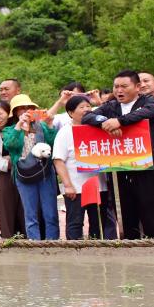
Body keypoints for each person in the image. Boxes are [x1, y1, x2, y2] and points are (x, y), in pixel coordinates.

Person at [81, 69, 154, 239]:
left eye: (124, 86)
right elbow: (87, 117)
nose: (119, 90)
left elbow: (150, 112)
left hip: (146, 167)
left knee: (151, 211)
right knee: (125, 213)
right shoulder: (111, 106)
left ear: (137, 86)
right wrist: (104, 123)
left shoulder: (149, 101)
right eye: (116, 86)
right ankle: (129, 249)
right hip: (119, 168)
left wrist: (119, 122)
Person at [2, 94, 59, 240]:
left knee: (50, 213)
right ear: (15, 112)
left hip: (45, 172)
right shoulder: (9, 129)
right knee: (30, 213)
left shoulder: (42, 126)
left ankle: (53, 244)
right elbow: (10, 145)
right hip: (23, 175)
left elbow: (53, 144)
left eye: (29, 108)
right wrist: (19, 126)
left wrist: (51, 124)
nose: (26, 111)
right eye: (21, 108)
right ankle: (34, 243)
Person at [53, 96, 105, 239]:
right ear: (70, 113)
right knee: (75, 223)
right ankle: (74, 256)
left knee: (98, 224)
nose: (86, 110)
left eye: (88, 106)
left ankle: (98, 255)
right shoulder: (65, 132)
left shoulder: (99, 128)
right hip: (76, 187)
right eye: (81, 107)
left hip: (99, 186)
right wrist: (68, 185)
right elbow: (58, 160)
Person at [0, 100, 24, 238]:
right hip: (3, 177)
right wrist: (12, 161)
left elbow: (25, 152)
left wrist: (11, 159)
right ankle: (8, 239)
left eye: (0, 114)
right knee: (5, 213)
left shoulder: (19, 129)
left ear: (9, 114)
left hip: (23, 174)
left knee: (24, 210)